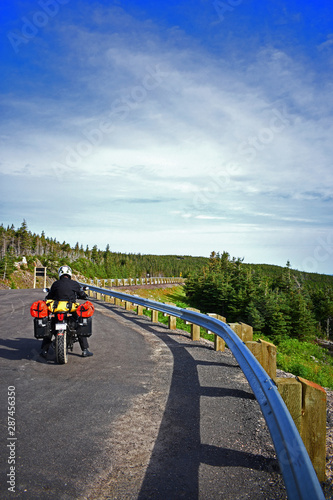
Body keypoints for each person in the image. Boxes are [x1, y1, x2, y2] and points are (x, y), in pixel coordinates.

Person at [40, 265, 93, 358]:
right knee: (79, 325)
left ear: (60, 273)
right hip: (70, 309)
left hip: (57, 310)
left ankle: (44, 351)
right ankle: (85, 350)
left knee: (50, 328)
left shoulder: (55, 284)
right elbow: (81, 294)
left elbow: (49, 296)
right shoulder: (74, 284)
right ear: (69, 274)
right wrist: (84, 296)